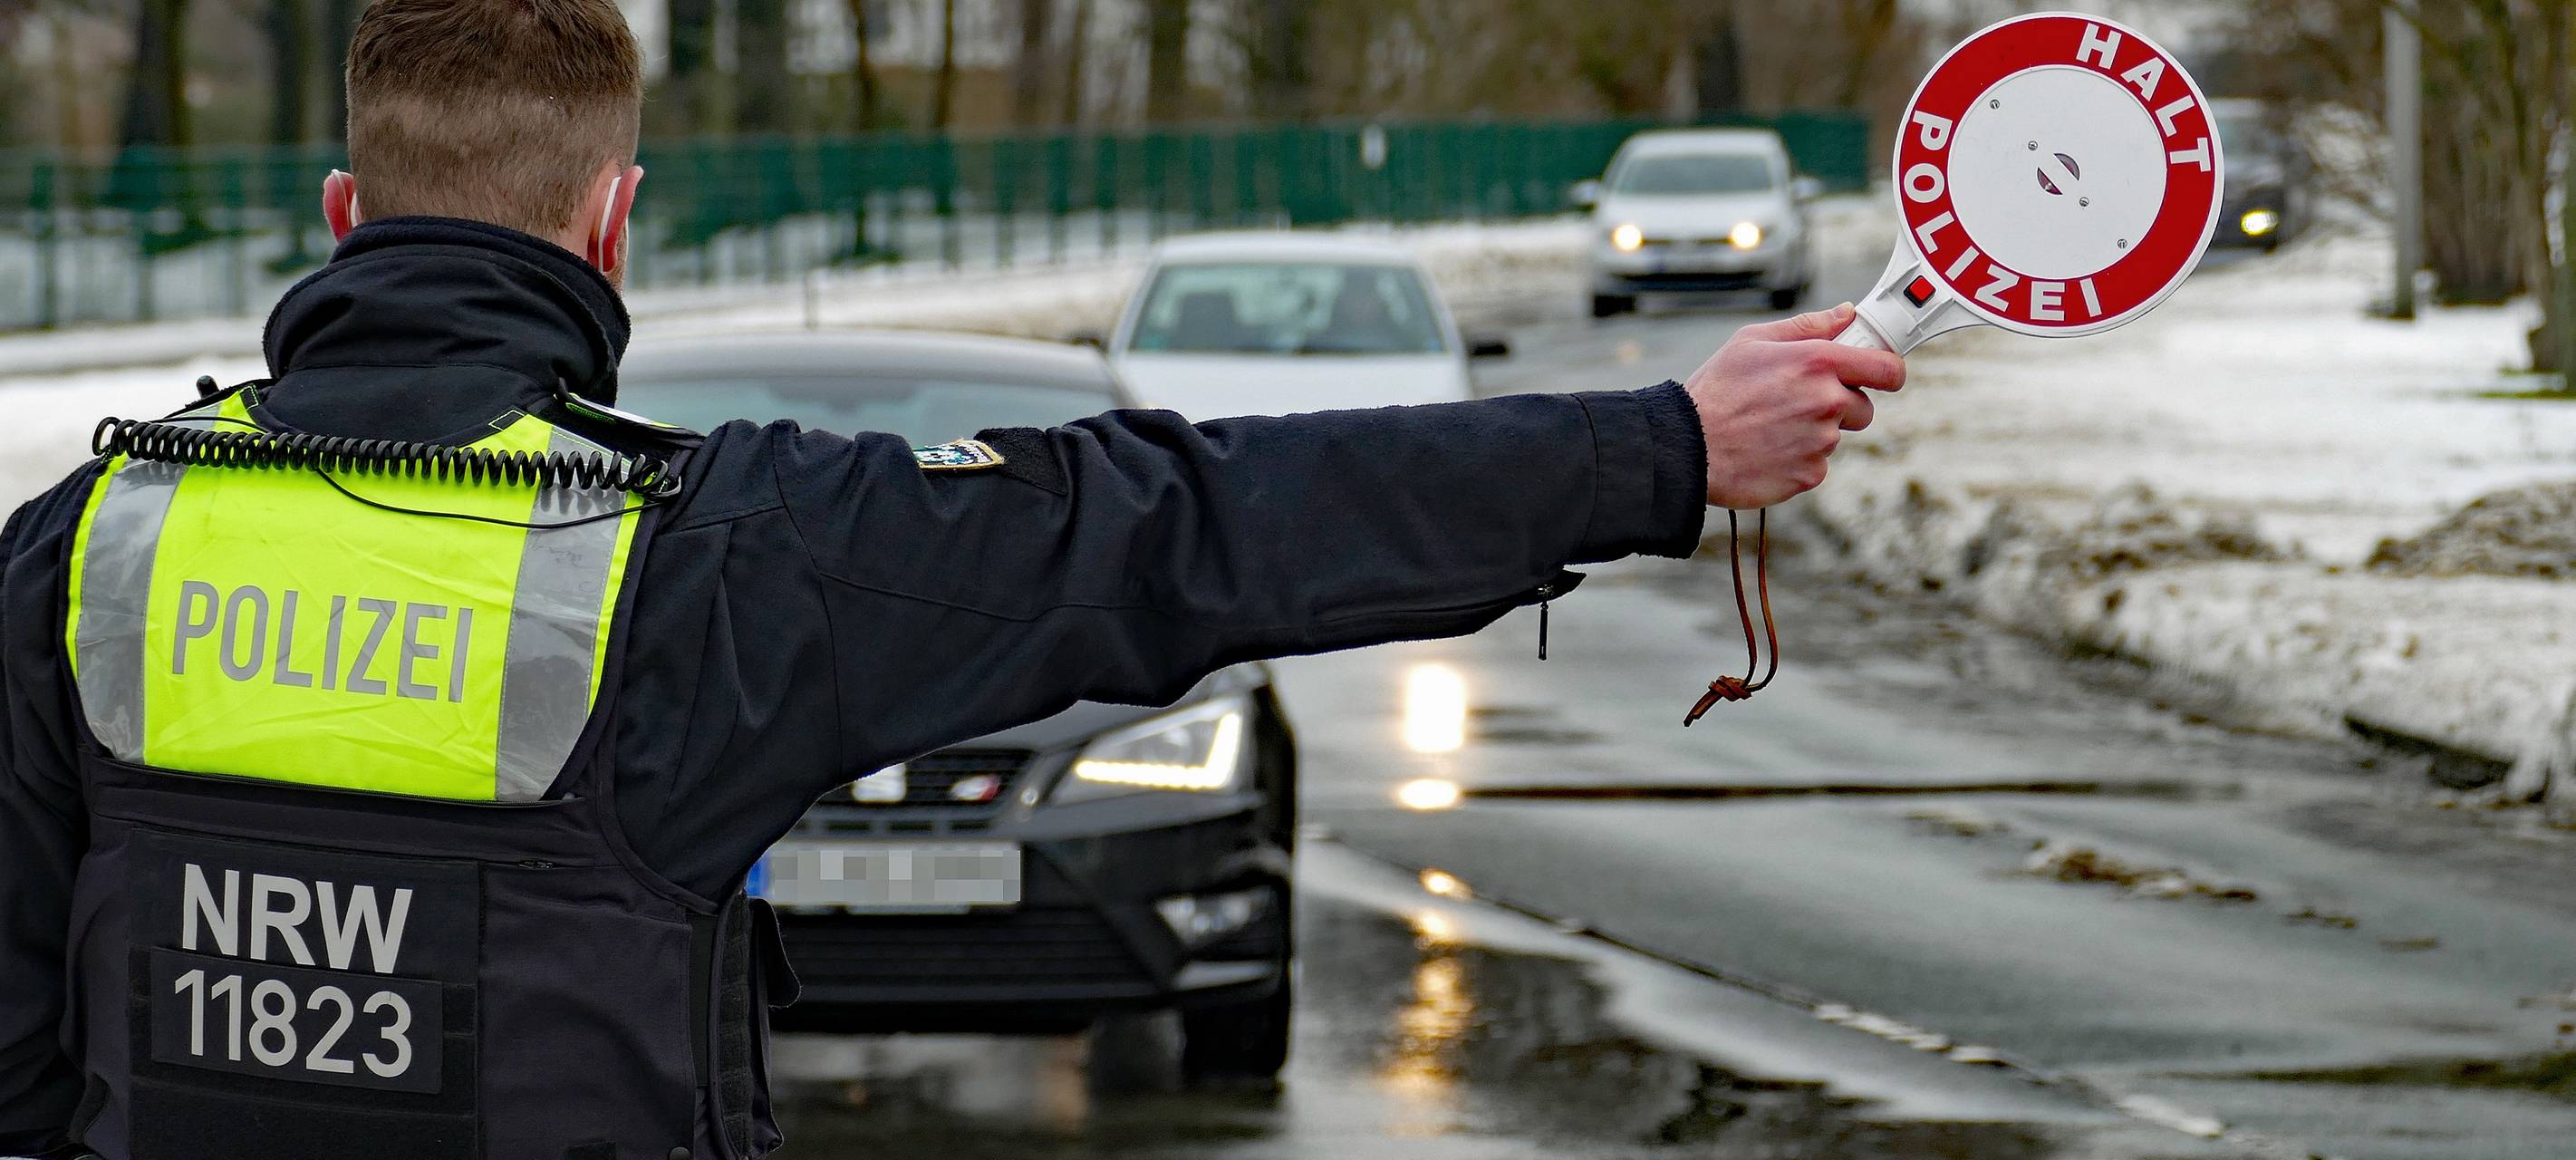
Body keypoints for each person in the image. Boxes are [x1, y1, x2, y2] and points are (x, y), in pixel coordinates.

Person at [0, 1, 1903, 1156]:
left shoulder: (85, 546)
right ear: (612, 219)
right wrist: (1663, 444)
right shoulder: (705, 557)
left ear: (343, 214)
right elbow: (1188, 522)